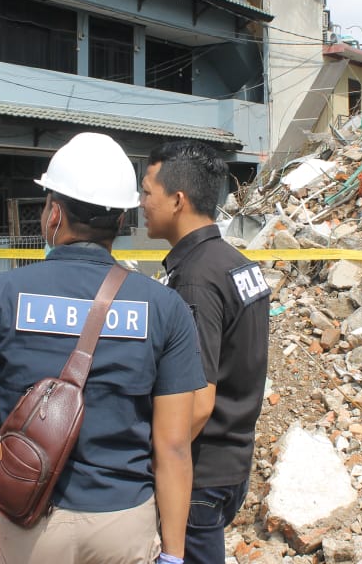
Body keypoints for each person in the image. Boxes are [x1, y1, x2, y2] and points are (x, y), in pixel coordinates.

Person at [0, 132, 205, 564]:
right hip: (121, 521)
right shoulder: (163, 307)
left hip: (24, 522)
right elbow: (173, 446)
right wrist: (174, 553)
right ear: (122, 221)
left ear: (53, 214)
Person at [140, 140, 271, 564]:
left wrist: (153, 459)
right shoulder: (234, 262)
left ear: (177, 200)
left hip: (200, 475)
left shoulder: (196, 278)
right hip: (231, 462)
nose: (141, 203)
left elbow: (197, 401)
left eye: (147, 192)